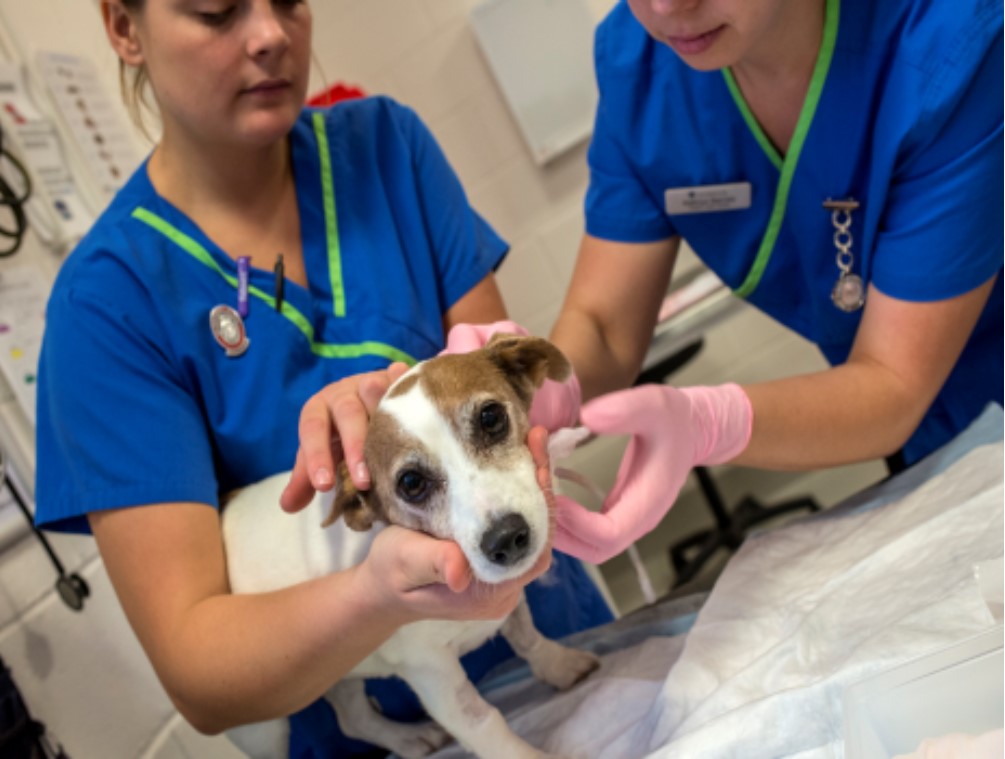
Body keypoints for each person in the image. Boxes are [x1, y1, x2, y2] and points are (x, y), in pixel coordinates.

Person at [33, 1, 611, 756]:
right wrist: (375, 596)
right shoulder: (104, 308)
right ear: (123, 26)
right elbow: (201, 676)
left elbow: (511, 381)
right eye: (217, 9)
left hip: (552, 627)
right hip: (359, 723)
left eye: (288, 0)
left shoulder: (385, 148)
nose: (272, 33)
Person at [286, 0, 1002, 567]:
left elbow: (892, 383)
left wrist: (706, 422)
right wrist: (523, 384)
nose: (666, 6)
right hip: (931, 450)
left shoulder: (951, 37)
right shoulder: (639, 65)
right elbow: (599, 327)